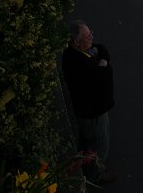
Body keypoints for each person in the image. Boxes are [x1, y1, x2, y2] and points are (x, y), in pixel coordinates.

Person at [62, 20, 116, 185]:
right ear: (76, 42)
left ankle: (83, 164)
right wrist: (104, 65)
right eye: (88, 37)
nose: (92, 38)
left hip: (86, 110)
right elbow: (104, 77)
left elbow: (102, 49)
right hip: (93, 112)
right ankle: (94, 175)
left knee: (87, 140)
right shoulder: (81, 64)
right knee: (99, 144)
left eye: (90, 33)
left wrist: (103, 61)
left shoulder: (75, 53)